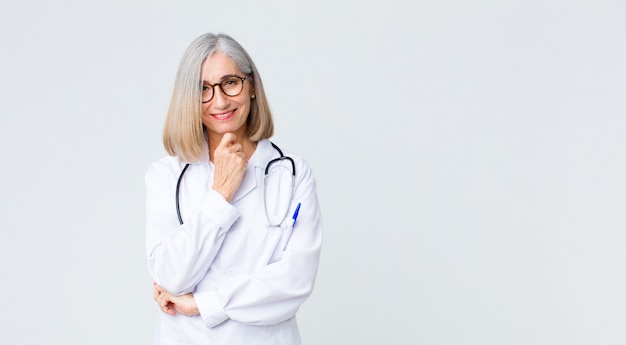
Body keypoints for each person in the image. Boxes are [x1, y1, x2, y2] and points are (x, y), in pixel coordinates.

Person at [144, 32, 323, 345]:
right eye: (203, 89)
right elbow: (171, 276)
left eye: (230, 82)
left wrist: (204, 302)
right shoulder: (166, 176)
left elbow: (295, 280)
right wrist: (220, 194)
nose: (220, 100)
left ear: (251, 86)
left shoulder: (292, 174)